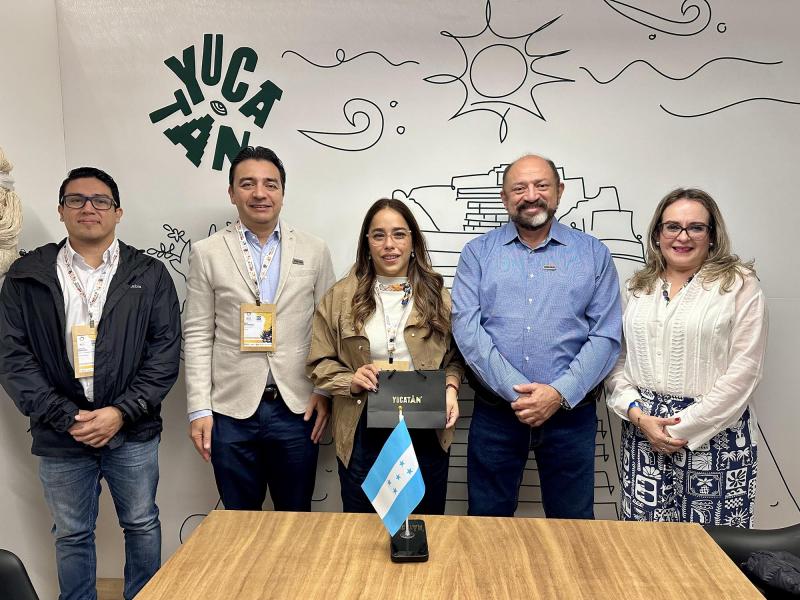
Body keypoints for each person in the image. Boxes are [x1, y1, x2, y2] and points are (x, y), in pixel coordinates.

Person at [0, 166, 181, 600]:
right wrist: (66, 416)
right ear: (60, 210)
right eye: (76, 200)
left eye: (100, 200)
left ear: (117, 212)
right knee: (71, 533)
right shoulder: (27, 275)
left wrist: (121, 412)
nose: (88, 208)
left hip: (132, 430)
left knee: (142, 523)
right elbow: (12, 356)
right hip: (60, 432)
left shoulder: (149, 274)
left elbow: (164, 352)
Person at [451, 154, 622, 519]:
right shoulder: (477, 254)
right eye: (519, 188)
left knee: (573, 527)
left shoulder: (593, 254)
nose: (531, 196)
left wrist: (557, 394)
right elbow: (466, 328)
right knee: (486, 523)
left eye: (541, 185)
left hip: (570, 415)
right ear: (504, 197)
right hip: (497, 414)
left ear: (559, 191)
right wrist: (519, 393)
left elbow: (606, 335)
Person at [184, 146, 335, 511]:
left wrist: (324, 391)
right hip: (231, 411)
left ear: (282, 192)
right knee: (238, 521)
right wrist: (199, 409)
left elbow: (329, 327)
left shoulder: (315, 250)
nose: (259, 193)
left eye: (270, 184)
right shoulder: (207, 252)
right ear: (232, 193)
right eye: (247, 183)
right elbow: (198, 334)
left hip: (297, 408)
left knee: (295, 519)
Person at [605, 188, 767, 526]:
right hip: (644, 433)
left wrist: (684, 427)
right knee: (646, 545)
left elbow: (746, 370)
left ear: (712, 235)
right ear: (657, 234)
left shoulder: (739, 284)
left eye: (696, 227)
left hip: (716, 436)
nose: (683, 237)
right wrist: (639, 416)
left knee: (713, 547)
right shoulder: (638, 287)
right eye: (672, 227)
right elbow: (618, 360)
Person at [307, 198, 462, 513]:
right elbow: (319, 361)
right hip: (362, 423)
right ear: (367, 243)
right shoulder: (339, 298)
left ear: (413, 242)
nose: (389, 244)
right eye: (379, 235)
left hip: (425, 423)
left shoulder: (438, 297)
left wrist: (451, 388)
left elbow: (456, 358)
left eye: (399, 234)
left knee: (424, 523)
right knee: (363, 525)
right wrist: (350, 380)